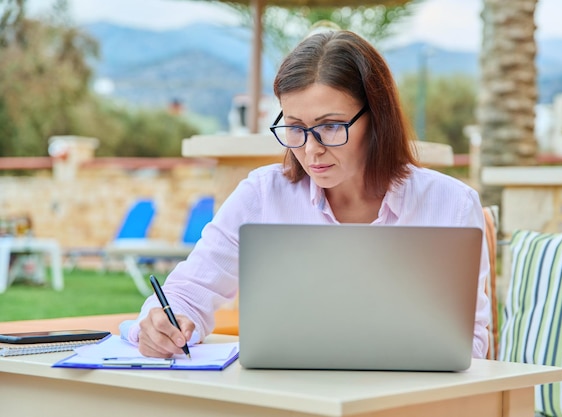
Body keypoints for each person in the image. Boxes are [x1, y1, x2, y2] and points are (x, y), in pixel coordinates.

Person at [121, 29, 490, 359]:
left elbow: (471, 341)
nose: (311, 150)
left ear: (377, 117)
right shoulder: (262, 194)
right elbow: (190, 290)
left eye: (330, 126)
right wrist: (160, 325)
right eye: (295, 127)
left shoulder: (451, 205)